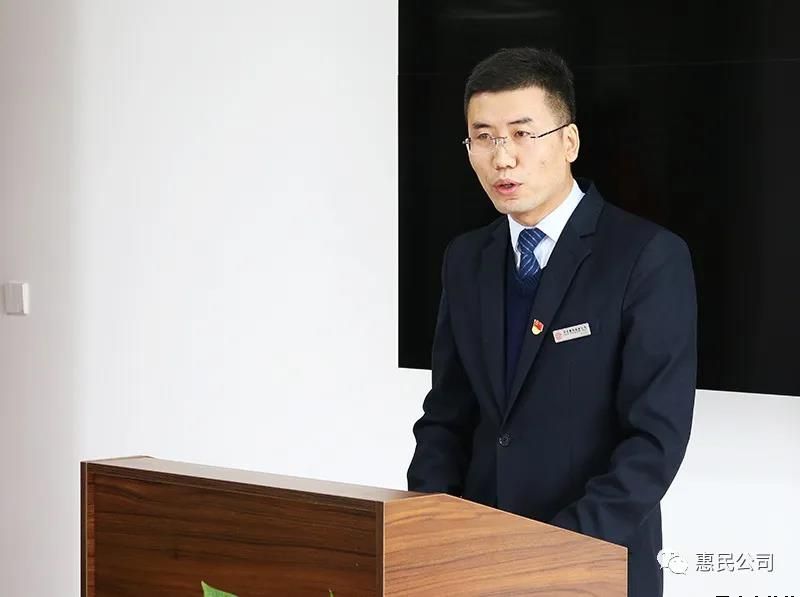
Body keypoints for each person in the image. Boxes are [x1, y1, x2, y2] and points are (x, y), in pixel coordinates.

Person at [407, 47, 697, 597]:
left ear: (569, 142)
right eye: (484, 137)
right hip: (474, 561)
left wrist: (552, 553)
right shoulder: (465, 258)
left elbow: (653, 440)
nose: (502, 158)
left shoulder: (646, 256)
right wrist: (428, 527)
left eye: (522, 134)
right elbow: (447, 415)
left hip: (592, 564)